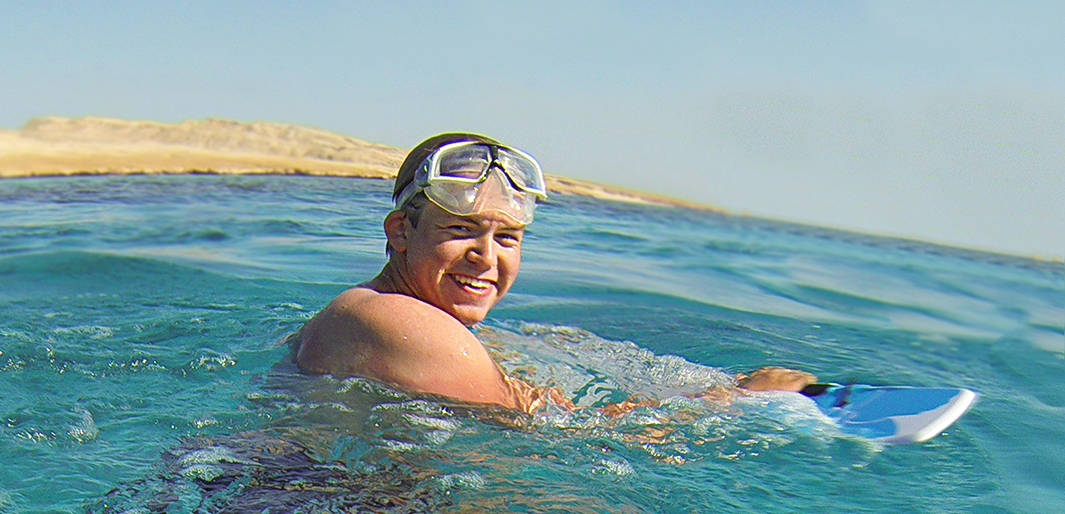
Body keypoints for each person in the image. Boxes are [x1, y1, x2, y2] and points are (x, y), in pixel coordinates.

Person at [294, 133, 815, 413]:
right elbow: (565, 433)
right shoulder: (401, 323)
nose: (486, 257)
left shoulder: (373, 311)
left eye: (507, 238)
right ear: (401, 231)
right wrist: (732, 398)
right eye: (461, 230)